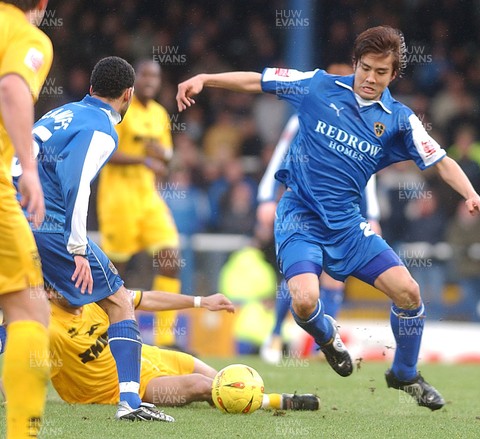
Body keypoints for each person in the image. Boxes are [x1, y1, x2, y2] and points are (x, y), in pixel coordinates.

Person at [177, 26, 480, 411]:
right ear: (355, 63)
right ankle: (328, 337)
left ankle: (405, 373)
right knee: (307, 300)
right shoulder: (317, 86)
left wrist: (472, 194)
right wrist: (205, 78)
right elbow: (257, 80)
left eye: (381, 72)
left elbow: (441, 161)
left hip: (348, 225)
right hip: (299, 216)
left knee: (409, 293)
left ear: (394, 75)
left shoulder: (398, 119)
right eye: (365, 68)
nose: (370, 78)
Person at [12, 56, 172, 422]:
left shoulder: (64, 112)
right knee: (118, 300)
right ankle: (130, 402)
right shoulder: (101, 128)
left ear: (91, 88)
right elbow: (77, 184)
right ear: (128, 94)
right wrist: (78, 248)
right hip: (44, 223)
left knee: (19, 308)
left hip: (10, 213)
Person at [0, 290, 320, 411]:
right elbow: (27, 368)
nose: (74, 286)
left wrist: (201, 302)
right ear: (49, 291)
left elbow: (148, 299)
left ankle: (267, 396)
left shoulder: (95, 293)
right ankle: (278, 402)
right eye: (63, 285)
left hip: (152, 356)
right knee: (204, 387)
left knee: (222, 376)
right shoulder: (46, 326)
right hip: (123, 388)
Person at [256, 91, 382, 364]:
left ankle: (321, 348)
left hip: (341, 210)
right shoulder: (304, 116)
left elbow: (365, 173)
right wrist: (266, 196)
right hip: (303, 208)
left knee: (334, 276)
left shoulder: (358, 124)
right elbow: (280, 154)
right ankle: (275, 334)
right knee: (302, 277)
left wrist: (373, 213)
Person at [97, 59, 182, 349]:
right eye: (144, 74)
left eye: (155, 76)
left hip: (149, 197)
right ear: (132, 83)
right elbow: (106, 151)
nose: (150, 80)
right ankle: (103, 334)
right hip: (118, 198)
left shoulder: (160, 114)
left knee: (170, 259)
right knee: (115, 270)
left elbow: (166, 158)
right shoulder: (120, 109)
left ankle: (166, 339)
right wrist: (144, 159)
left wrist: (165, 158)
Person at [0, 0, 53, 436]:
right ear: (42, 4)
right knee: (30, 313)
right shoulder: (27, 35)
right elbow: (13, 87)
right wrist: (29, 169)